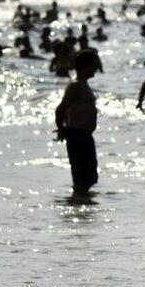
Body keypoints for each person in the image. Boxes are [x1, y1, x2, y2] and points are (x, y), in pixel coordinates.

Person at [54, 50, 100, 194]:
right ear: (87, 65)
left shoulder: (83, 84)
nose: (97, 68)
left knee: (90, 177)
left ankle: (80, 205)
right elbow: (61, 109)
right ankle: (77, 206)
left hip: (84, 135)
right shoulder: (76, 86)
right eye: (95, 64)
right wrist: (62, 128)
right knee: (82, 177)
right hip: (78, 136)